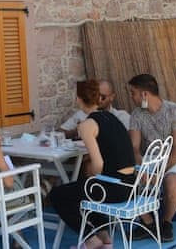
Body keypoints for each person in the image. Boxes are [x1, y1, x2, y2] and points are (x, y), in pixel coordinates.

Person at [49, 80, 137, 249]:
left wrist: (94, 176)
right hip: (130, 184)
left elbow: (97, 164)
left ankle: (91, 238)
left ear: (78, 99)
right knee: (85, 188)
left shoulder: (87, 125)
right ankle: (104, 237)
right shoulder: (112, 117)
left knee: (58, 195)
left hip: (114, 188)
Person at [127, 73, 176, 241]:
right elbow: (134, 147)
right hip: (149, 160)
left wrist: (159, 173)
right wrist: (142, 168)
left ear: (144, 94)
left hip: (173, 161)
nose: (131, 97)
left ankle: (166, 223)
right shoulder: (136, 114)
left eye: (133, 93)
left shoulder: (175, 111)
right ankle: (148, 223)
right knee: (127, 179)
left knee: (172, 183)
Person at [61, 79, 131, 138]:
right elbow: (60, 133)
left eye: (103, 97)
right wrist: (76, 132)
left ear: (112, 97)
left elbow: (130, 139)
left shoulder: (121, 116)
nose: (98, 100)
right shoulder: (81, 114)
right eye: (95, 96)